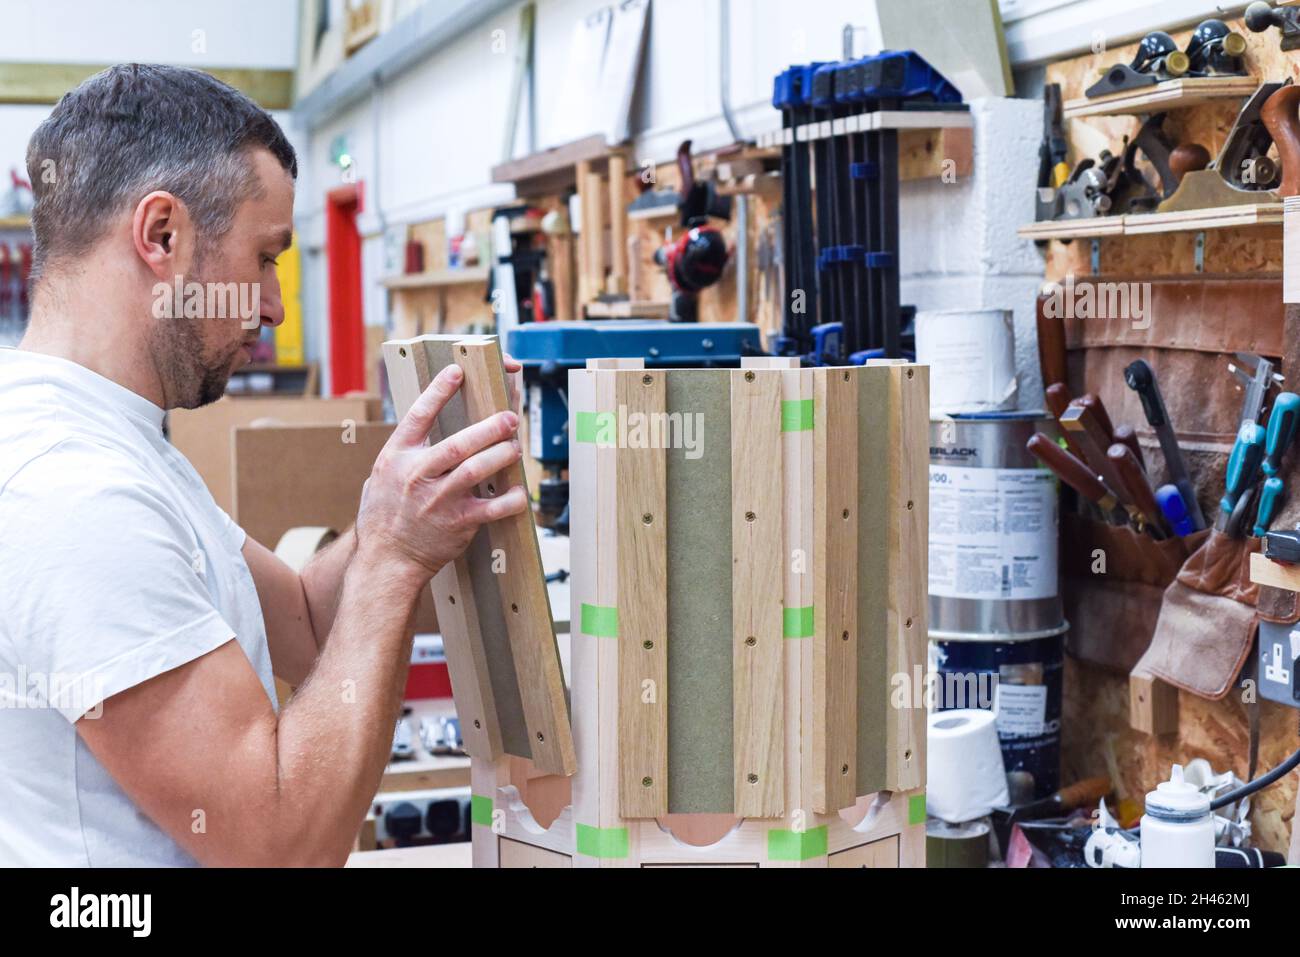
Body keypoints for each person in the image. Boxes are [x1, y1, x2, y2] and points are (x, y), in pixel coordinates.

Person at [0, 64, 526, 866]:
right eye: (267, 255)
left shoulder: (118, 442)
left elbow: (310, 625)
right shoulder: (74, 489)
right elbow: (281, 846)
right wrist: (390, 560)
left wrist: (404, 498)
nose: (277, 305)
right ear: (163, 236)